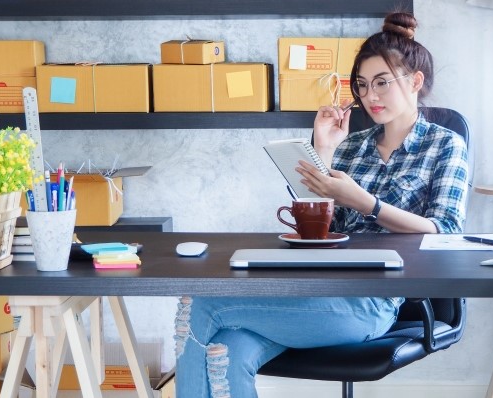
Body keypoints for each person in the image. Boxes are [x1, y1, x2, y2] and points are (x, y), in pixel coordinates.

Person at [173, 11, 468, 398]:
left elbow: (446, 231)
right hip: (317, 289)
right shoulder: (353, 149)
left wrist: (367, 204)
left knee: (199, 303)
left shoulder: (445, 145)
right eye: (361, 86)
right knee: (226, 350)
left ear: (415, 82)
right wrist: (324, 149)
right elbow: (318, 231)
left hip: (370, 305)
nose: (370, 96)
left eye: (382, 83)